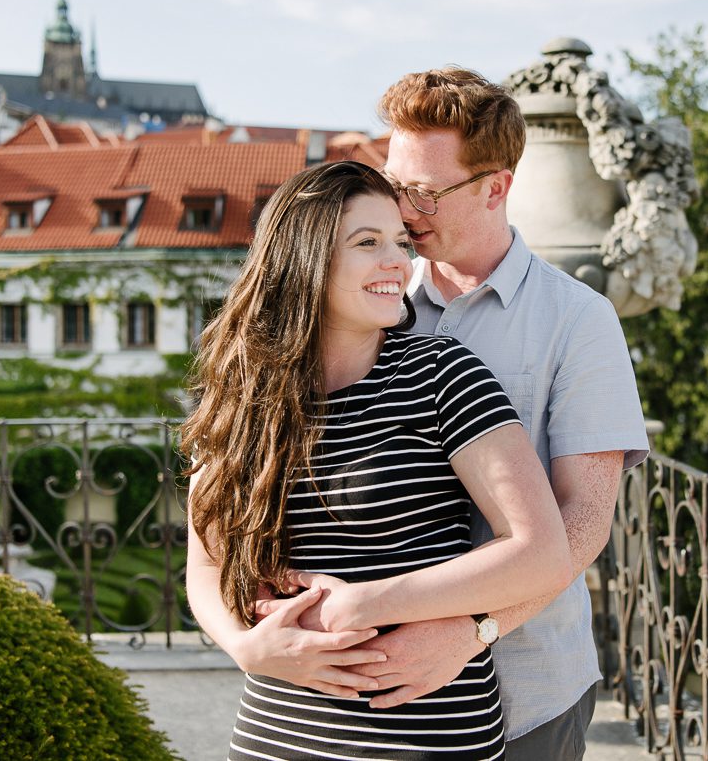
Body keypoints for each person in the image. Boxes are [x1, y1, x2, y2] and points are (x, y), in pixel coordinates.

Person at [183, 160, 571, 760]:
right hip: (275, 735)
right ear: (303, 258)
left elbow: (541, 552)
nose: (399, 261)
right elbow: (206, 566)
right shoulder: (243, 396)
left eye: (401, 242)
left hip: (428, 740)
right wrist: (242, 645)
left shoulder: (444, 376)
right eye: (367, 243)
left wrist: (367, 603)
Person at [337, 67, 650, 759]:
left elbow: (587, 519)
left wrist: (472, 629)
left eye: (421, 192)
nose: (402, 210)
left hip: (525, 688)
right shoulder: (367, 299)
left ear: (496, 188)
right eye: (393, 185)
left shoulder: (580, 320)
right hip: (375, 696)